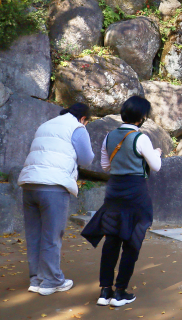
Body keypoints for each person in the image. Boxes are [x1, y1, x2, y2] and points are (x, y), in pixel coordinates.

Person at [81, 95, 161, 307]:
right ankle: (120, 292)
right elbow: (157, 166)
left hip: (114, 193)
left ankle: (105, 290)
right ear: (142, 117)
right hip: (135, 194)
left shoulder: (109, 136)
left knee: (112, 240)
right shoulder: (141, 138)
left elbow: (106, 167)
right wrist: (156, 153)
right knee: (132, 242)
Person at [17, 103, 94, 295]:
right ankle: (52, 280)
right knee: (52, 235)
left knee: (34, 234)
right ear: (83, 118)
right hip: (53, 187)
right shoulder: (77, 128)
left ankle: (37, 279)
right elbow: (87, 159)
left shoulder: (45, 125)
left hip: (29, 184)